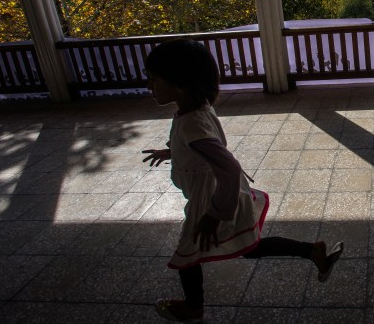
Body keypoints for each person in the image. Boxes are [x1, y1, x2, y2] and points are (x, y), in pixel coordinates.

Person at [142, 39, 343, 323]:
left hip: (212, 200)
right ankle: (312, 251)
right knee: (249, 247)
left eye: (153, 79)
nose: (149, 86)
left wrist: (214, 214)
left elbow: (228, 167)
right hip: (222, 193)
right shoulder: (196, 108)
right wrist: (172, 151)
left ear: (181, 84)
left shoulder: (192, 122)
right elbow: (198, 148)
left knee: (188, 253)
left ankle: (193, 308)